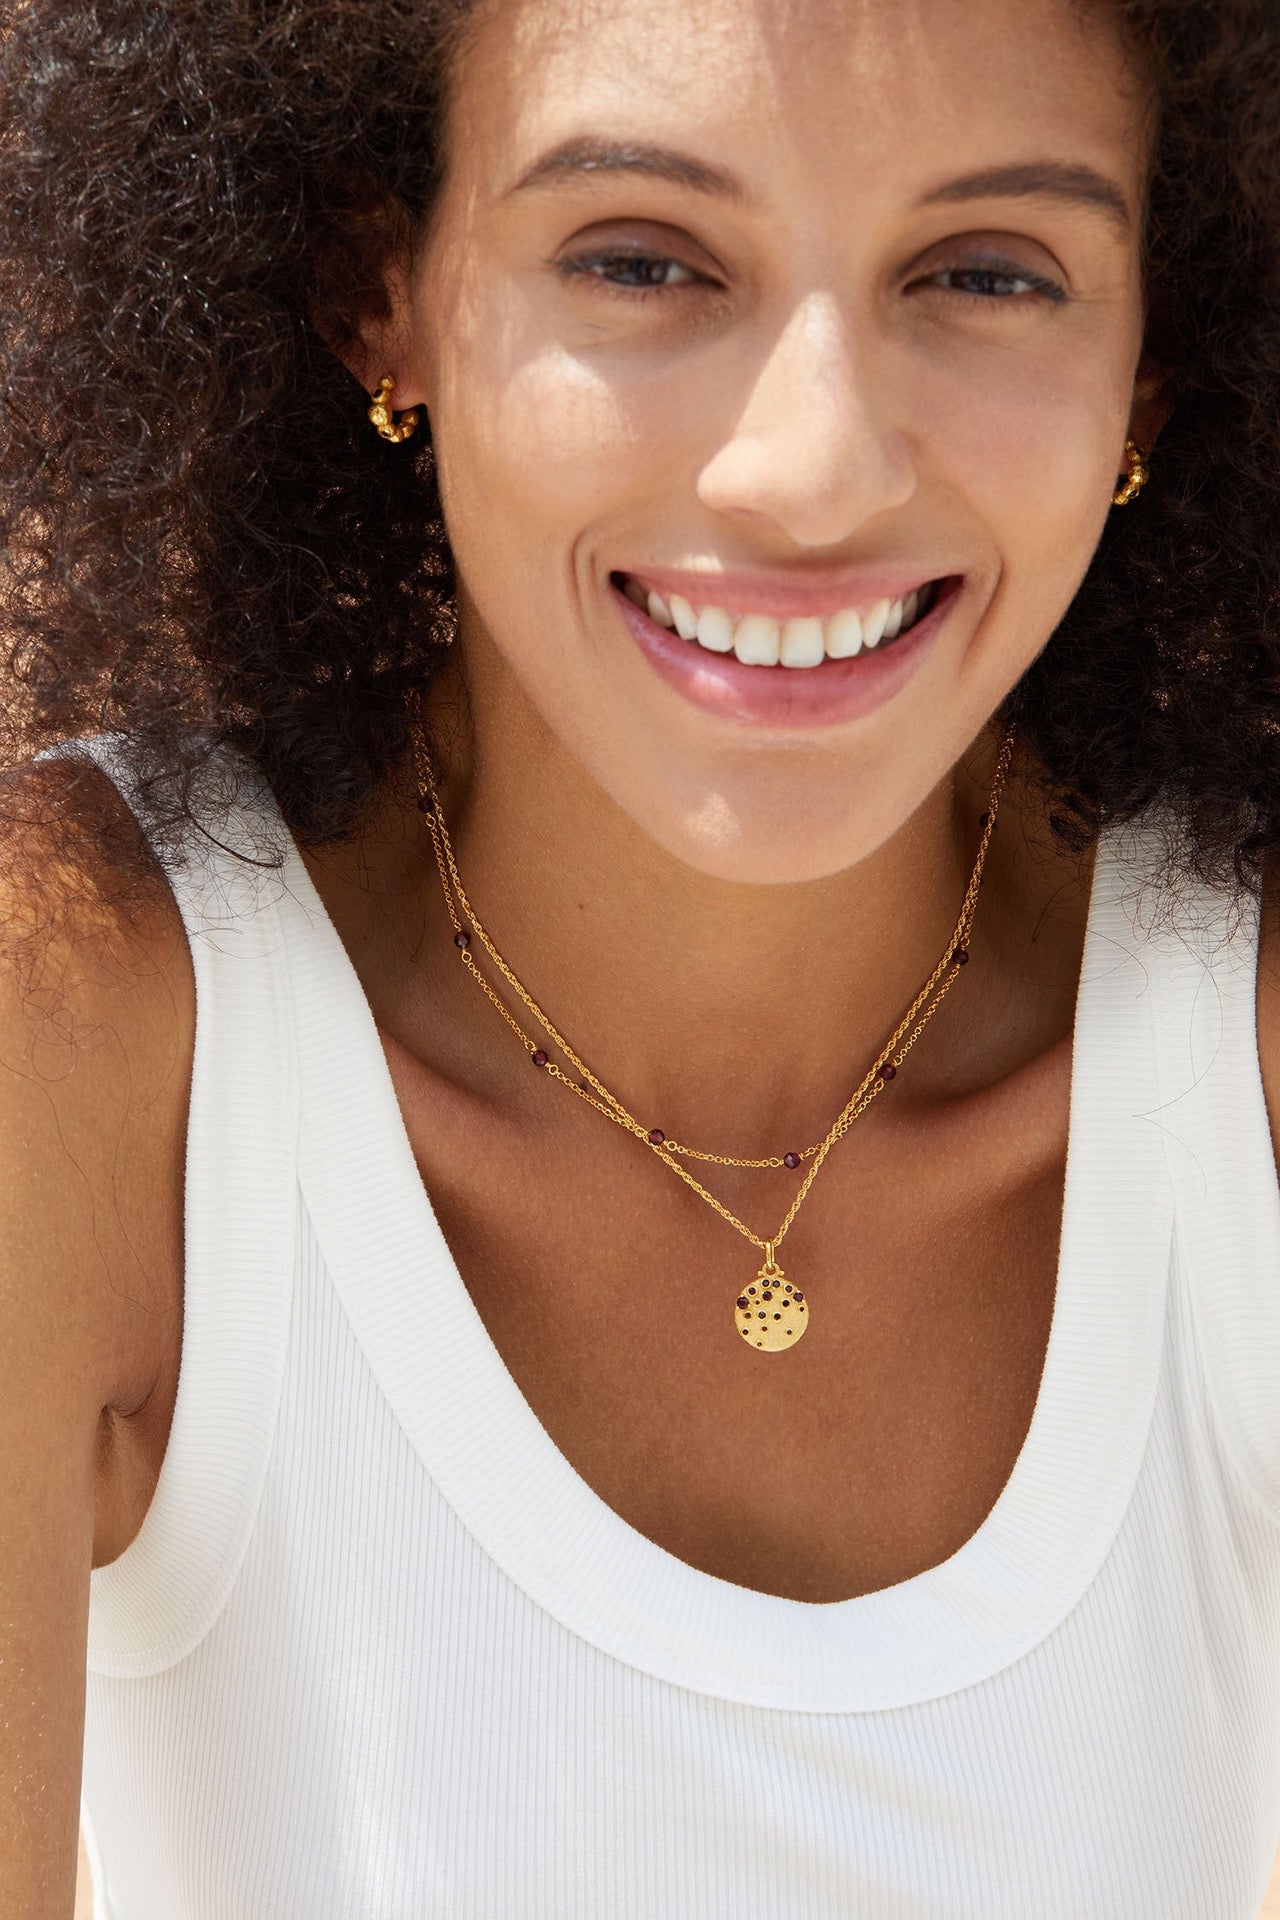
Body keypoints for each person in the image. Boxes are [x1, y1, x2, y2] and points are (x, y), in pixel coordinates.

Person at [2, 0, 1279, 1913]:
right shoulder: (84, 1013)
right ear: (387, 295)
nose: (815, 471)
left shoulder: (1236, 1042)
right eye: (641, 259)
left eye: (989, 272)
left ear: (1150, 373)